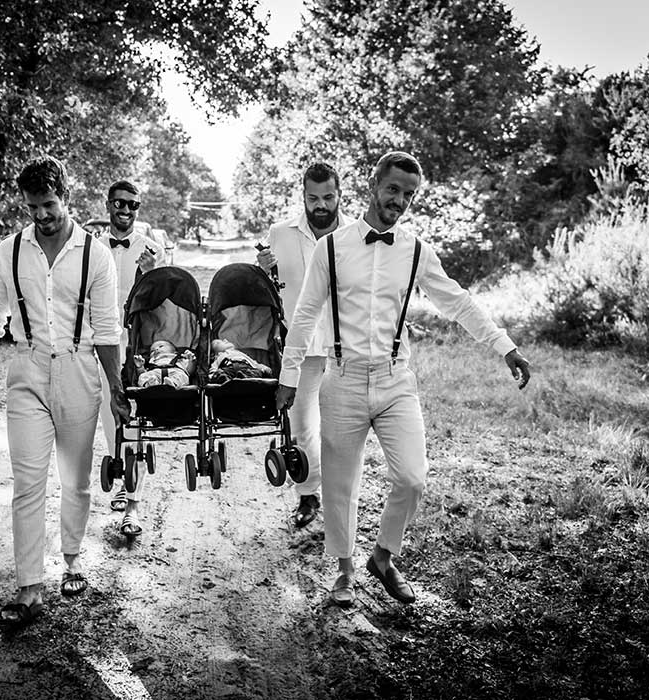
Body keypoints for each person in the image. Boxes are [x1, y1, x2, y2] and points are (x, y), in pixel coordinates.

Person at [275, 151, 531, 608]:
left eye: (408, 194)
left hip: (396, 380)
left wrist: (504, 346)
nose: (399, 200)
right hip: (343, 378)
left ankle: (383, 556)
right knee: (340, 484)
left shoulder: (416, 251)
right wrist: (289, 376)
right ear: (373, 185)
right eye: (393, 189)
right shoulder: (330, 248)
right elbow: (305, 314)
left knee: (413, 478)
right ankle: (345, 570)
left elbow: (458, 301)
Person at [0, 155, 129, 624]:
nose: (41, 215)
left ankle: (72, 558)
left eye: (49, 204)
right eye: (33, 206)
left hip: (79, 370)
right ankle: (28, 588)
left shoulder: (95, 255)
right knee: (28, 482)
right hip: (28, 369)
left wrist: (116, 388)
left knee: (75, 480)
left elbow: (107, 330)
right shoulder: (10, 251)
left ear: (66, 197)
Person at [256, 162, 356, 529]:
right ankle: (308, 495)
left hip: (347, 347)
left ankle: (341, 499)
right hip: (300, 349)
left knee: (342, 429)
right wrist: (262, 268)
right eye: (313, 198)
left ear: (339, 195)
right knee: (302, 427)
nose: (321, 205)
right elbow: (266, 291)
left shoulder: (357, 234)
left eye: (328, 197)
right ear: (303, 196)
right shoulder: (279, 233)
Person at [96, 180, 165, 538]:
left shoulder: (154, 249)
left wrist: (151, 273)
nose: (126, 210)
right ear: (108, 204)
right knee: (111, 418)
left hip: (138, 345)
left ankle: (133, 505)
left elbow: (163, 305)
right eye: (120, 203)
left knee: (138, 419)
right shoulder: (93, 248)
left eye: (133, 205)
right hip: (102, 345)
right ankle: (122, 475)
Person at [208, 338, 272, 382]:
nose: (225, 340)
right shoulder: (219, 356)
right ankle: (224, 379)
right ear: (215, 354)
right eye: (218, 343)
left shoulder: (241, 354)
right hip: (228, 367)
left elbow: (255, 364)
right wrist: (212, 375)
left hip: (245, 366)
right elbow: (214, 368)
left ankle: (244, 377)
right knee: (221, 373)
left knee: (256, 372)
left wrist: (264, 368)